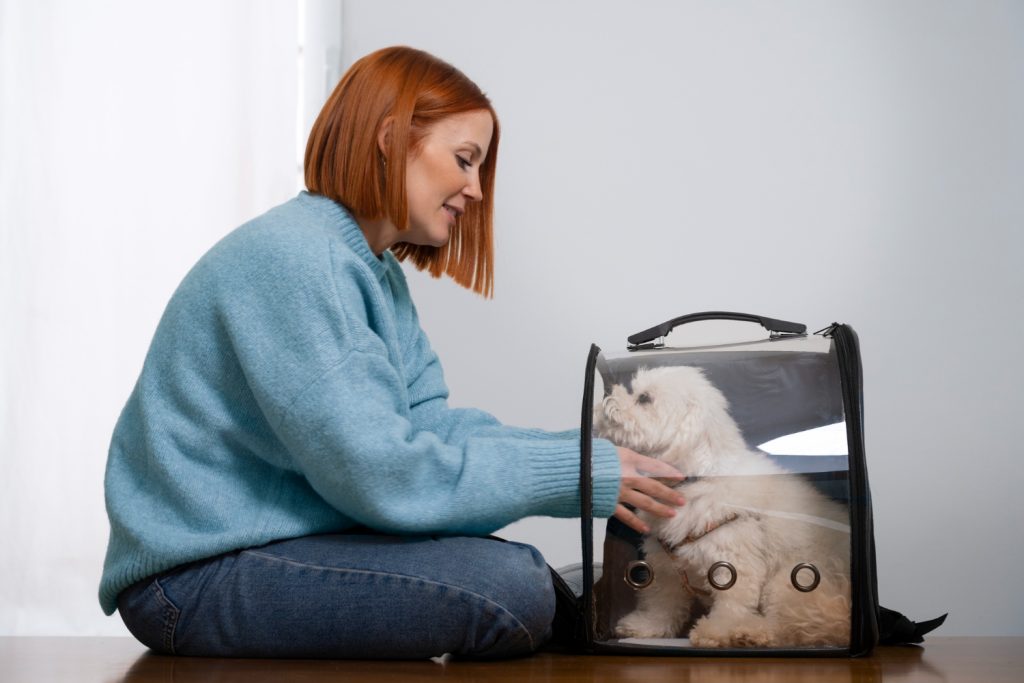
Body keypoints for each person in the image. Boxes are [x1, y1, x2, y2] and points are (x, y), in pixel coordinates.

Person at [99, 45, 684, 660]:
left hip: (275, 546)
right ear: (390, 138)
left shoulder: (370, 272)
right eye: (465, 160)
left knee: (520, 574)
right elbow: (382, 475)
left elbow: (427, 427)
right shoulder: (299, 261)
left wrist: (582, 458)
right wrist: (577, 477)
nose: (476, 189)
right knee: (512, 586)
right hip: (190, 576)